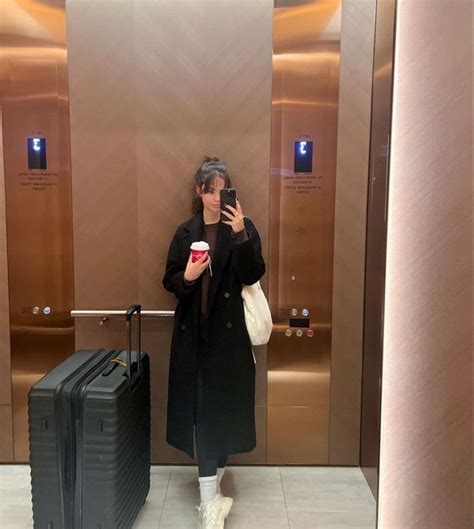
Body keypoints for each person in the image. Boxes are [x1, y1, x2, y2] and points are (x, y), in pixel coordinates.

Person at [162, 156, 265, 529]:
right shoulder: (186, 232)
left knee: (221, 415)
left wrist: (240, 235)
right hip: (194, 341)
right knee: (203, 417)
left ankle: (214, 490)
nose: (215, 197)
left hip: (229, 341)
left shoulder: (242, 227)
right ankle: (209, 505)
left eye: (222, 190)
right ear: (198, 191)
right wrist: (187, 277)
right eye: (209, 189)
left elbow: (253, 273)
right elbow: (169, 278)